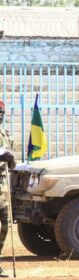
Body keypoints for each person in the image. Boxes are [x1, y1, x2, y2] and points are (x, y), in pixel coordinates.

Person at [0, 101, 15, 278]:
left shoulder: (6, 135)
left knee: (6, 224)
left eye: (2, 113)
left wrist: (10, 160)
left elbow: (13, 164)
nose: (0, 116)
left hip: (3, 188)